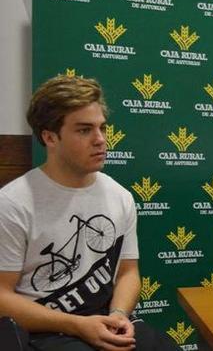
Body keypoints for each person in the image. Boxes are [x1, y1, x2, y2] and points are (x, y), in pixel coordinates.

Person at [0, 76, 176, 350]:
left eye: (102, 128)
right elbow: (1, 296)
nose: (100, 140)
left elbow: (128, 273)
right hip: (43, 331)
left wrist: (118, 314)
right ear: (49, 137)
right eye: (84, 130)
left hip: (105, 320)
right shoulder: (12, 203)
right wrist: (76, 325)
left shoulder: (120, 196)